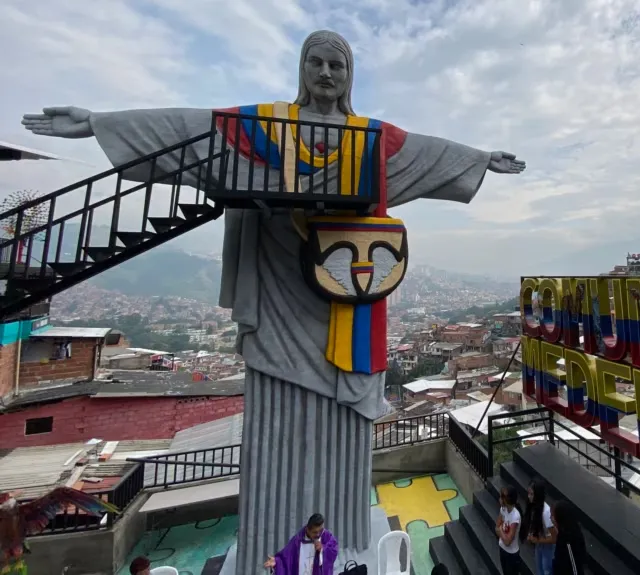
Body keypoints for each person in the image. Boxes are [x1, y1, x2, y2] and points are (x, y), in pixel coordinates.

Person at [21, 29, 525, 574]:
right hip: (276, 291)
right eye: (317, 62)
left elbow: (426, 151)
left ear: (349, 75)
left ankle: (341, 540)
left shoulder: (368, 141)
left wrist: (479, 158)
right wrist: (99, 122)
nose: (327, 73)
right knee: (276, 420)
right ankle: (272, 546)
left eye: (338, 64)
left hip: (339, 304)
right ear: (302, 69)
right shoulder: (263, 131)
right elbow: (190, 128)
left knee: (340, 421)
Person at [262, 513, 338, 575]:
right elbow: (286, 557)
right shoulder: (298, 540)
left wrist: (323, 549)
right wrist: (277, 562)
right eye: (315, 532)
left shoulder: (326, 536)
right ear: (307, 529)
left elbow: (334, 550)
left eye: (320, 530)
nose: (318, 534)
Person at [521, 480, 556, 575]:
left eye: (531, 494)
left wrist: (537, 540)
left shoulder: (546, 513)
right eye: (528, 493)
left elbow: (554, 538)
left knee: (546, 570)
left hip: (548, 545)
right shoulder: (533, 507)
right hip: (540, 542)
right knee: (539, 569)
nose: (529, 496)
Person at [551, 501, 587, 575]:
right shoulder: (562, 533)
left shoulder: (568, 540)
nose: (551, 518)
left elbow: (574, 567)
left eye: (553, 516)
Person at [495, 487, 522, 574]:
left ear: (507, 500)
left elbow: (508, 541)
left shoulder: (515, 517)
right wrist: (501, 531)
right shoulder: (503, 510)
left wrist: (501, 531)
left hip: (511, 554)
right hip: (502, 549)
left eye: (501, 497)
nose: (499, 499)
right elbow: (496, 527)